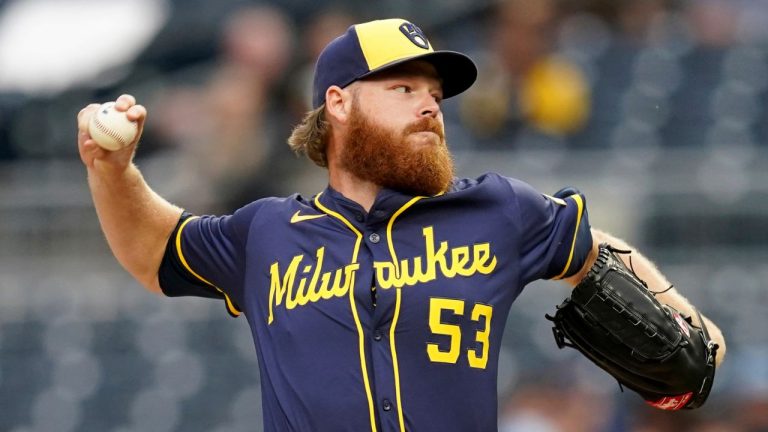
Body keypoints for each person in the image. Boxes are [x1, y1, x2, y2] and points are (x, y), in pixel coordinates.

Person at [76, 18, 725, 432]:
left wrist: (690, 323)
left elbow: (593, 248)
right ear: (339, 103)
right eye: (404, 89)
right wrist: (111, 170)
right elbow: (152, 249)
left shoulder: (497, 210)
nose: (430, 107)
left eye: (435, 95)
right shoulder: (265, 233)